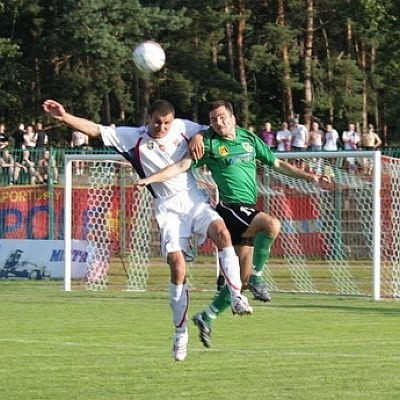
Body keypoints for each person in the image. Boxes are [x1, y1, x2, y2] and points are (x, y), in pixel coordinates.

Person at [42, 98, 252, 362]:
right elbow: (95, 129)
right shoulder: (131, 137)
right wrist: (64, 116)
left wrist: (199, 135)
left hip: (194, 199)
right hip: (167, 208)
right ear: (148, 119)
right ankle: (180, 333)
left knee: (223, 234)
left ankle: (236, 296)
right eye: (157, 122)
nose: (162, 128)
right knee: (177, 268)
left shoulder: (184, 127)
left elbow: (211, 129)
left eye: (166, 123)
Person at [136, 100, 329, 348]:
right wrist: (149, 179)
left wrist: (309, 176)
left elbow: (277, 164)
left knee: (240, 279)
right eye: (213, 119)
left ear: (233, 117)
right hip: (230, 209)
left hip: (246, 211)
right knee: (271, 224)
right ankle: (259, 277)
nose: (219, 122)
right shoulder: (209, 144)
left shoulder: (248, 138)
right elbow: (182, 165)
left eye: (222, 117)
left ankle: (207, 316)